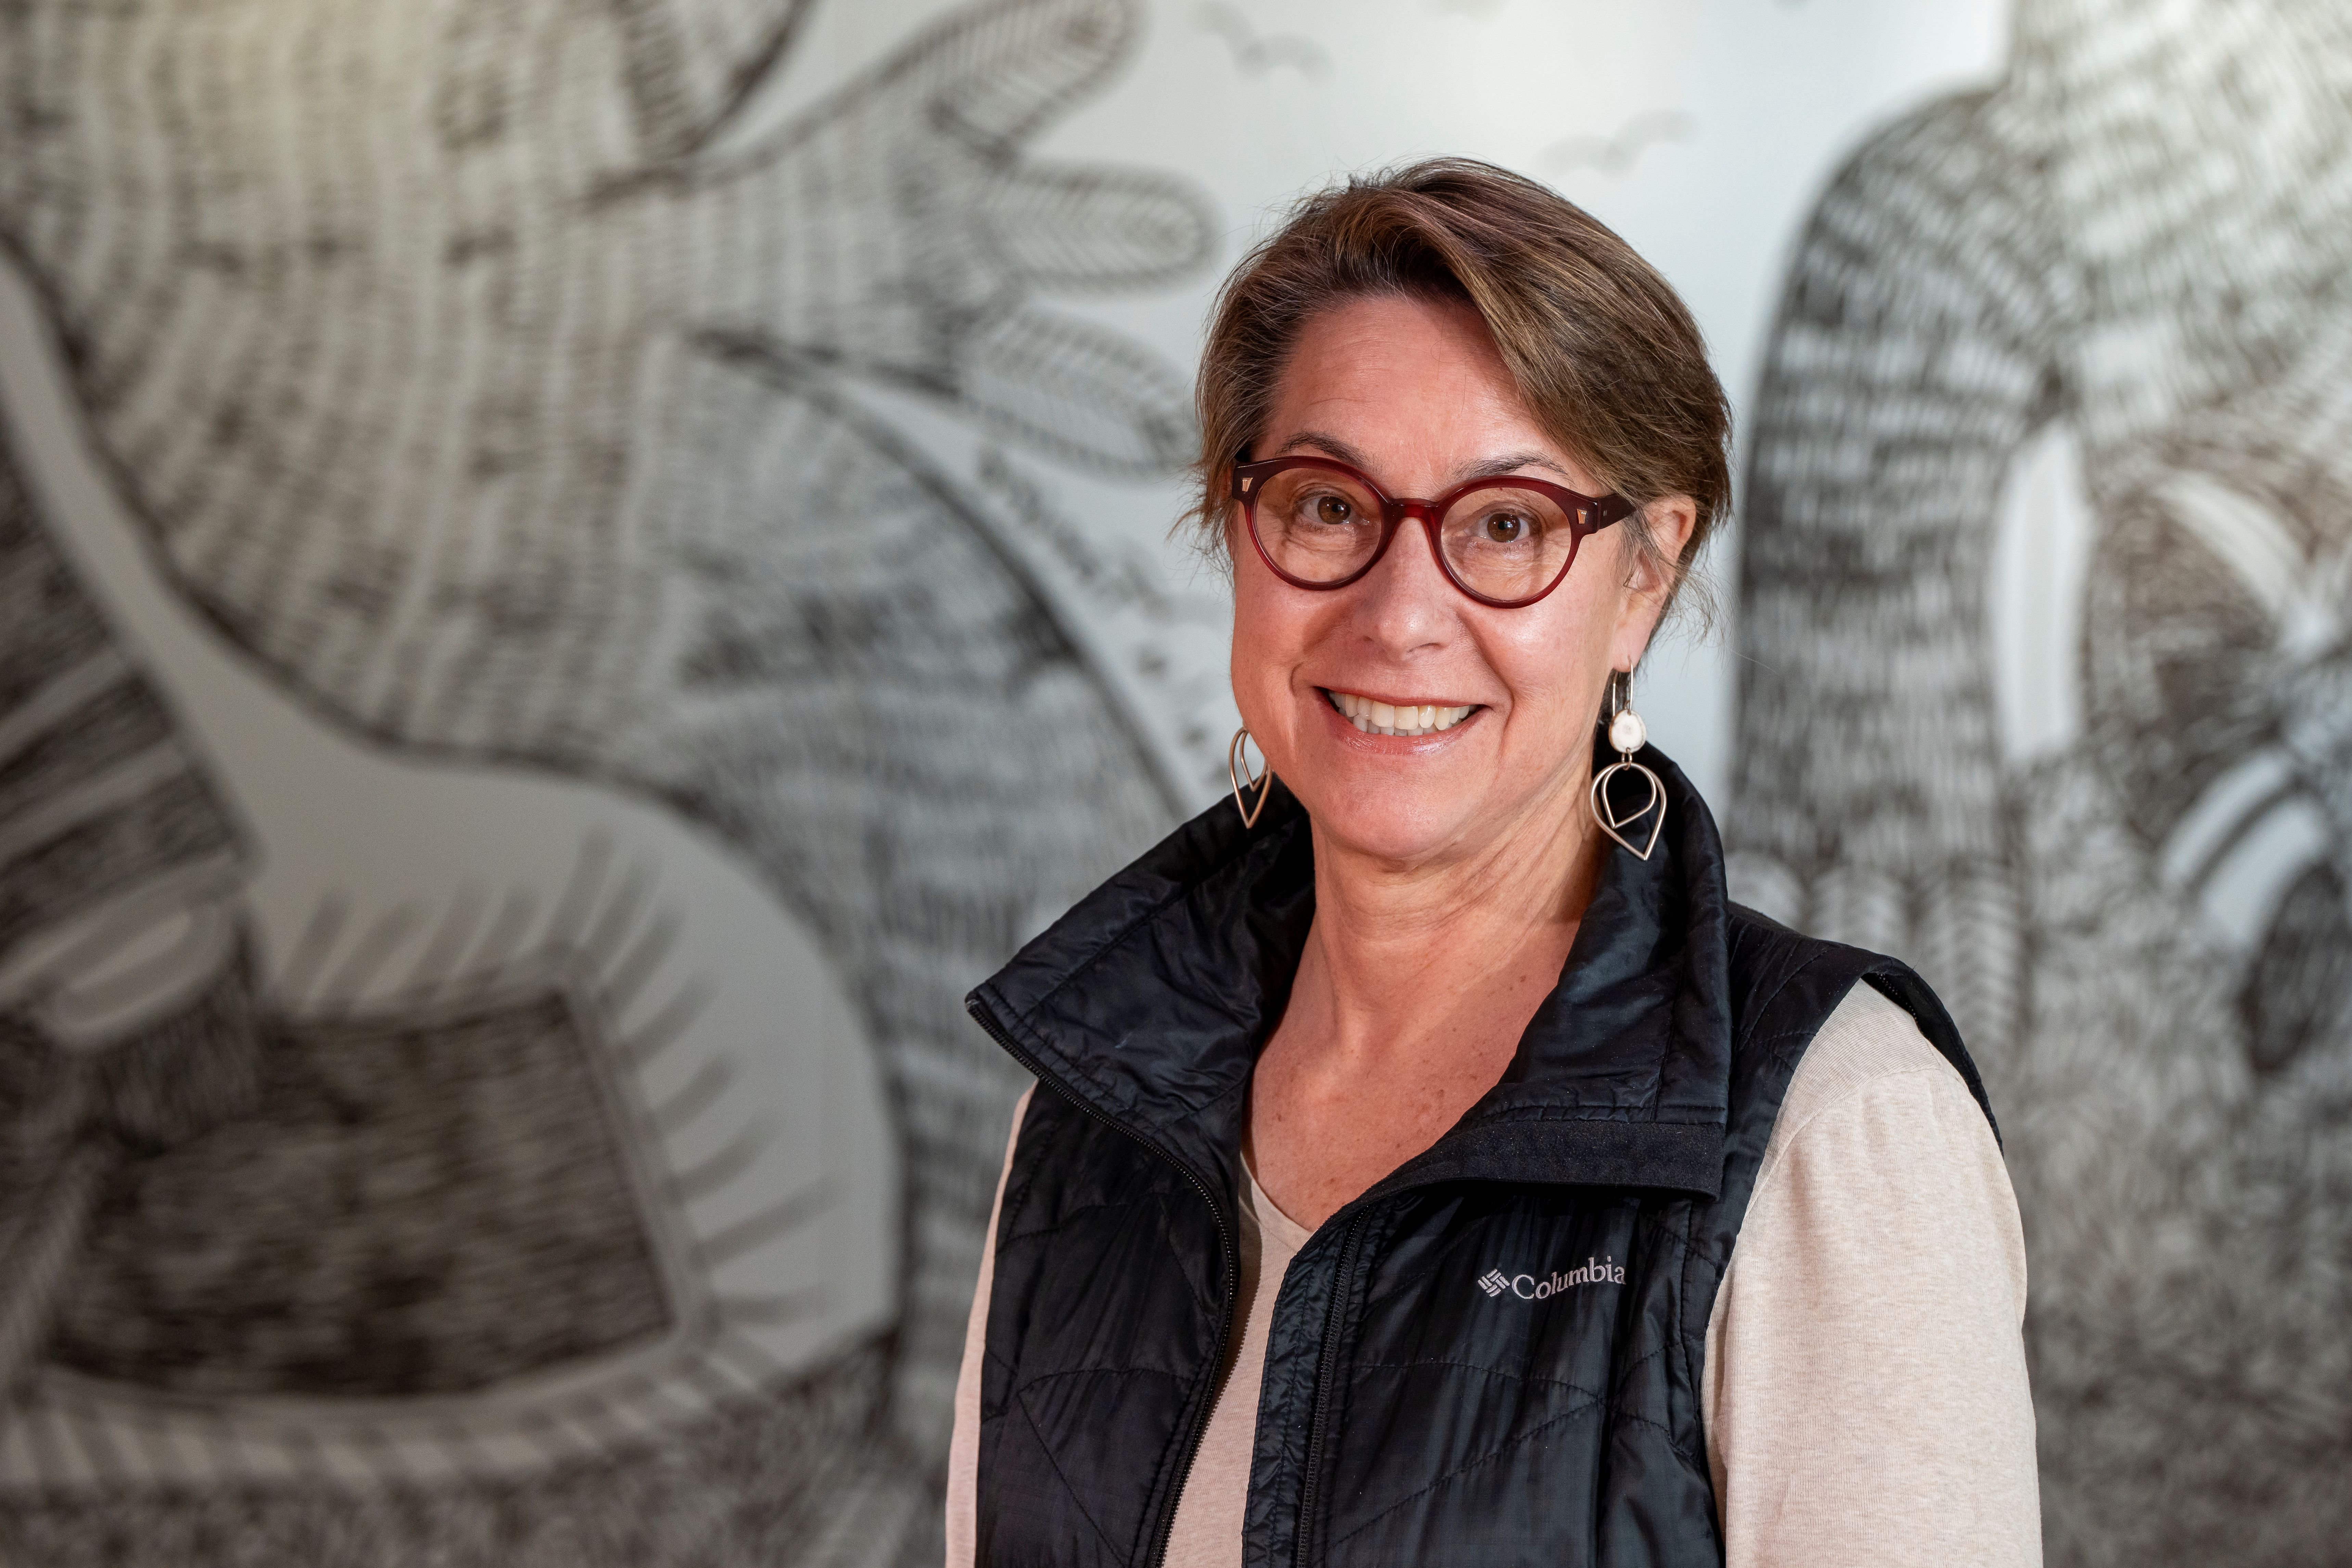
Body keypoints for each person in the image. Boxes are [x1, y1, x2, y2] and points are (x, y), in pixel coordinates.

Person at [946, 159, 2039, 1567]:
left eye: (1508, 525)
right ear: (1237, 525)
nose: (1400, 617)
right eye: (1328, 506)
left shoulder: (1839, 1129)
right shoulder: (1089, 1112)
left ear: (1644, 578)